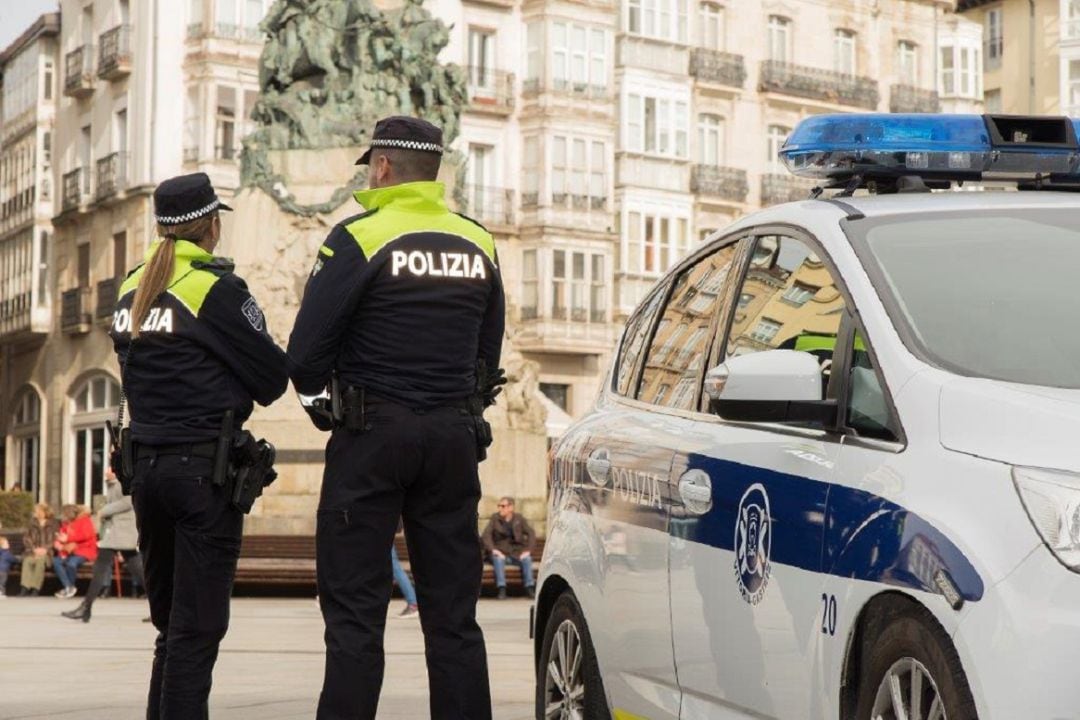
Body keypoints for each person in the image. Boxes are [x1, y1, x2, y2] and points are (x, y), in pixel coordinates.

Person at [287, 116, 505, 720]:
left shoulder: (359, 236)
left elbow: (305, 353)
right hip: (452, 438)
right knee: (454, 617)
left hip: (372, 436)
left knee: (355, 615)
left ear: (382, 167)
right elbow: (490, 350)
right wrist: (461, 405)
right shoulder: (478, 239)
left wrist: (321, 408)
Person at [109, 172, 289, 718]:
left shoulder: (131, 286)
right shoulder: (214, 288)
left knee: (171, 631)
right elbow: (272, 377)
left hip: (147, 472)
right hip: (201, 476)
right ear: (211, 226)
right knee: (197, 632)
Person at [62, 471, 146, 622]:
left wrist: (103, 511)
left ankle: (85, 608)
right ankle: (164, 608)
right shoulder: (115, 484)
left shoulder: (123, 480)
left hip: (120, 533)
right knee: (138, 572)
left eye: (109, 466)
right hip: (118, 534)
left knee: (101, 569)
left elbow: (128, 500)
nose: (106, 469)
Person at [481, 497, 537, 600]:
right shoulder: (495, 518)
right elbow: (486, 536)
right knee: (498, 559)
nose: (500, 509)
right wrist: (494, 550)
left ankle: (529, 588)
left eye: (503, 506)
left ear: (511, 507)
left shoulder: (519, 519)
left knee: (527, 559)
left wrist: (528, 551)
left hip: (516, 553)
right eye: (499, 506)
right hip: (500, 552)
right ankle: (502, 589)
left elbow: (531, 534)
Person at [52, 504, 98, 599]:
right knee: (56, 561)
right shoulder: (66, 524)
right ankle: (69, 587)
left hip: (84, 550)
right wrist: (58, 544)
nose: (62, 516)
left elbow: (86, 536)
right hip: (69, 551)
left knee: (71, 563)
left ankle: (69, 587)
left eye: (64, 514)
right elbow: (61, 536)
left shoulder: (85, 521)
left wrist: (68, 539)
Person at [19, 503, 57, 596]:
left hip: (46, 552)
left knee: (40, 561)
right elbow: (26, 538)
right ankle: (25, 587)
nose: (35, 512)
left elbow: (54, 540)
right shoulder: (31, 523)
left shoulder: (53, 524)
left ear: (43, 512)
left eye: (37, 510)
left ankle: (35, 588)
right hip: (32, 551)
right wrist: (34, 549)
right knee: (27, 561)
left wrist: (44, 549)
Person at [0, 529, 16, 598]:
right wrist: (18, 560)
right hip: (3, 571)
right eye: (6, 543)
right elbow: (13, 559)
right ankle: (1, 593)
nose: (8, 544)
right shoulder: (7, 553)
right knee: (2, 583)